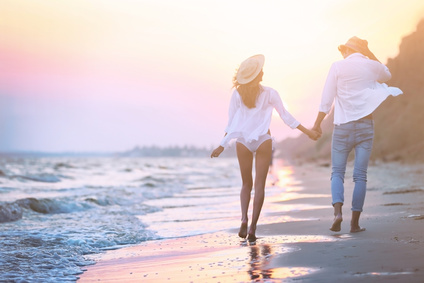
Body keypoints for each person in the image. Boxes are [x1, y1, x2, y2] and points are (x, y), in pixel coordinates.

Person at [211, 54, 320, 241]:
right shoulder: (270, 93)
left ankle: (244, 219)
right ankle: (253, 227)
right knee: (260, 185)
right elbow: (286, 117)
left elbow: (231, 123)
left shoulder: (237, 94)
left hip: (243, 141)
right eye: (260, 70)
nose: (263, 71)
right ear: (257, 76)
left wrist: (222, 145)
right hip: (263, 140)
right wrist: (308, 132)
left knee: (246, 184)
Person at [312, 37, 402, 233]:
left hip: (342, 126)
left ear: (346, 51)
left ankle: (337, 214)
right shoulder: (371, 65)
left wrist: (317, 125)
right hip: (365, 126)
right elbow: (386, 75)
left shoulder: (337, 66)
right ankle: (354, 224)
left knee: (337, 172)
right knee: (360, 176)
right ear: (362, 51)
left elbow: (326, 100)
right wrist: (369, 54)